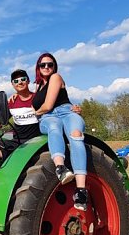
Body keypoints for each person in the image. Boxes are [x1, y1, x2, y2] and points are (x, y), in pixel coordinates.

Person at [31, 52, 89, 210]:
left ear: (54, 66)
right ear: (38, 67)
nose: (47, 67)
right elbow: (32, 104)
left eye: (50, 64)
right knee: (54, 125)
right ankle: (60, 168)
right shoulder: (37, 88)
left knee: (76, 135)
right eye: (43, 65)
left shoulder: (55, 77)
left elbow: (48, 106)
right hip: (48, 118)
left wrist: (34, 112)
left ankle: (81, 191)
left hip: (66, 112)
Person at [0, 69, 41, 160]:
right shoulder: (11, 103)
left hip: (36, 141)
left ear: (28, 81)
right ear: (13, 84)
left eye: (23, 79)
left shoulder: (38, 98)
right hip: (17, 141)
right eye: (16, 81)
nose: (20, 82)